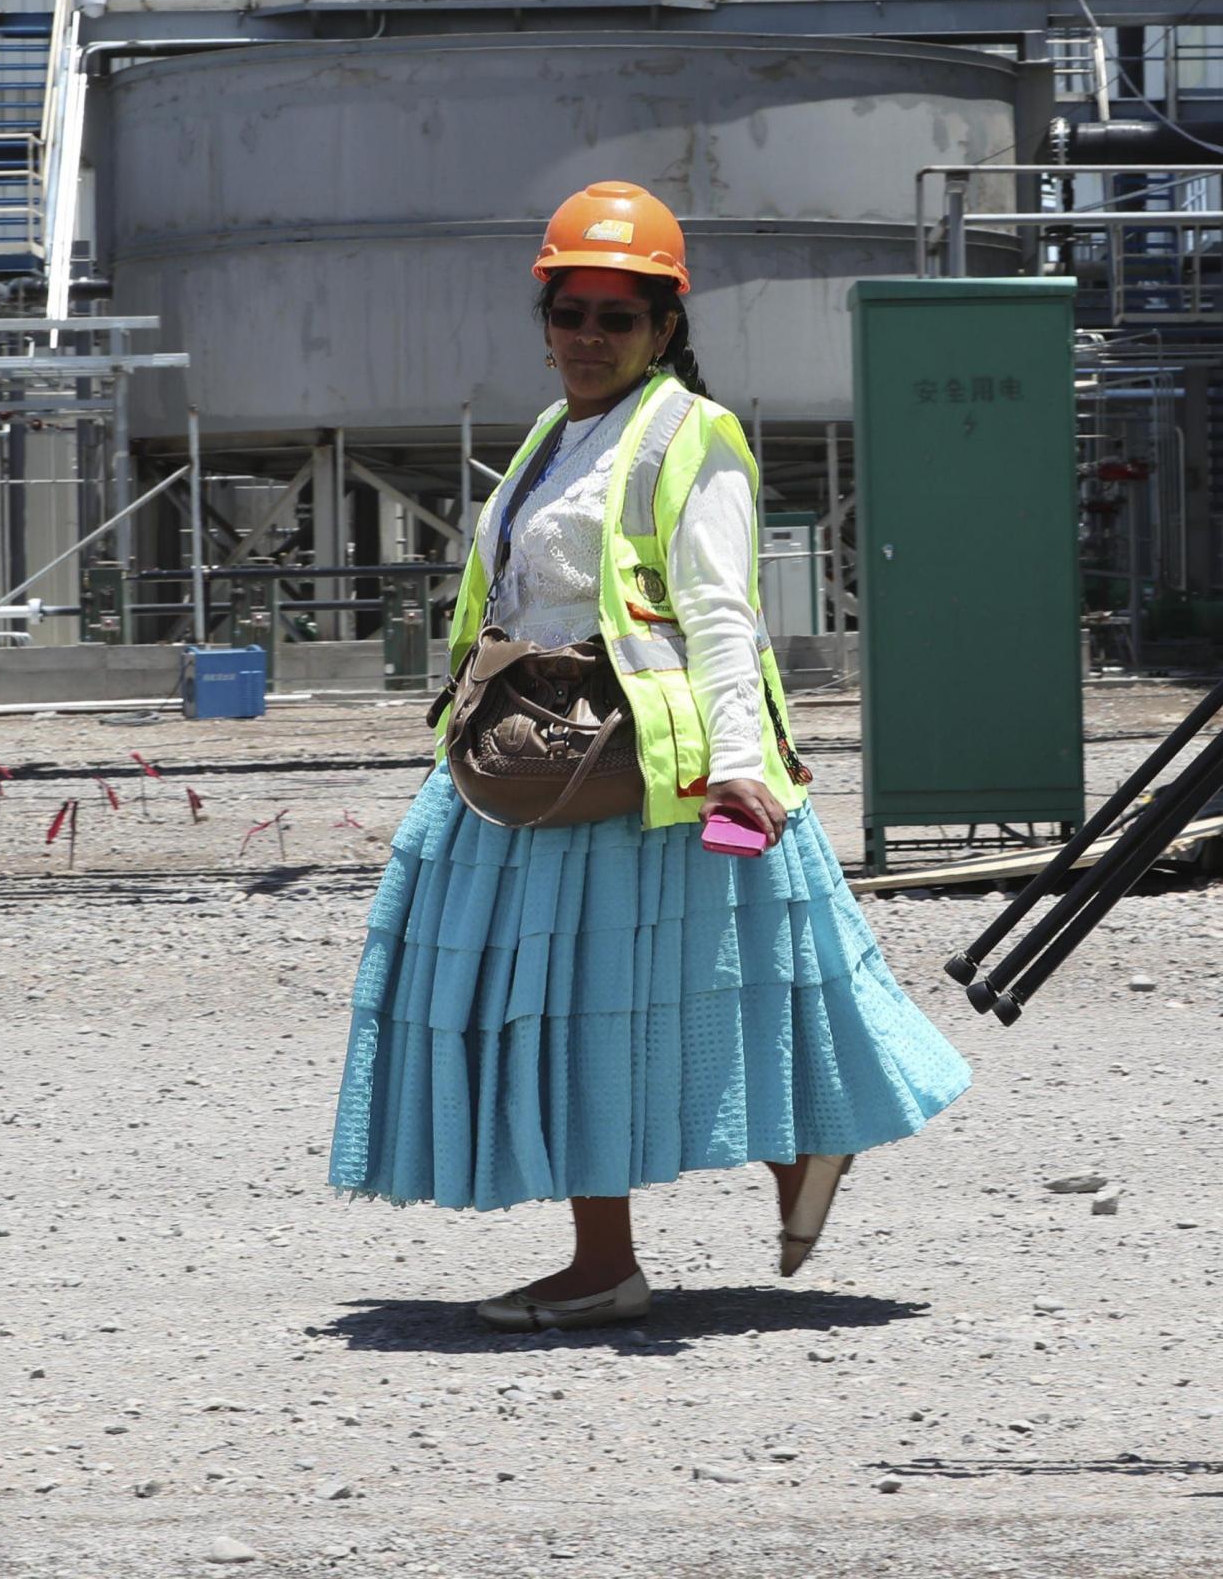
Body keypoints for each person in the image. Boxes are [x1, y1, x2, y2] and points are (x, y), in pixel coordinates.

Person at [328, 181, 972, 1330]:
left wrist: (738, 765)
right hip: (548, 760)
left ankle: (667, 1226)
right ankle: (692, 1212)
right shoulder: (553, 435)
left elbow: (723, 611)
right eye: (567, 310)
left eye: (616, 316)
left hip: (646, 774)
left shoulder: (691, 433)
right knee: (603, 1005)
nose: (586, 335)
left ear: (666, 326)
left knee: (620, 1005)